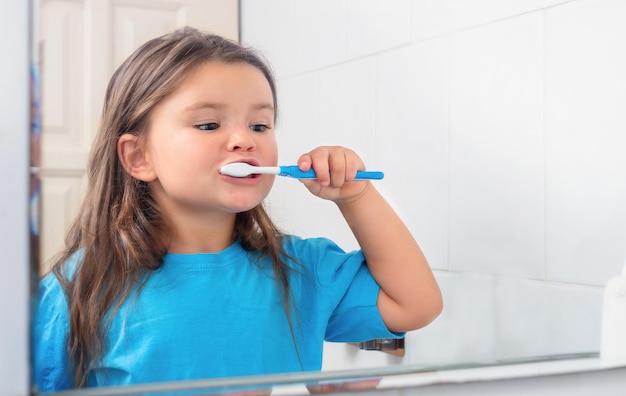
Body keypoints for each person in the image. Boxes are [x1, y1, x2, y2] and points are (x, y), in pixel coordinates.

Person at [33, 26, 443, 391]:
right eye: (209, 125)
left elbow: (417, 305)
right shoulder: (78, 289)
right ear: (139, 156)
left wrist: (356, 197)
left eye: (260, 125)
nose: (243, 140)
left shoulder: (301, 270)